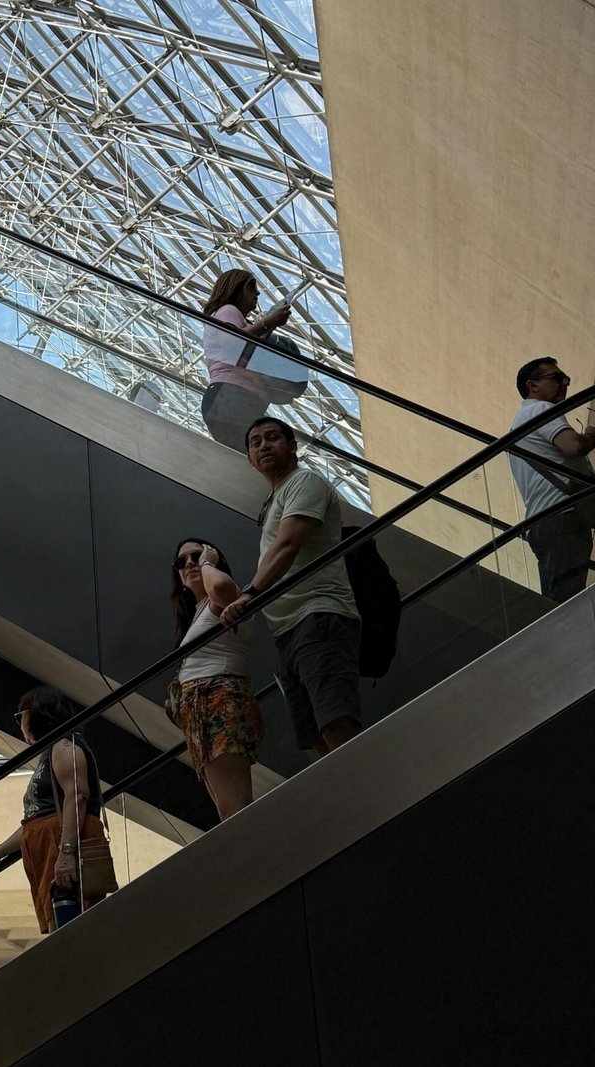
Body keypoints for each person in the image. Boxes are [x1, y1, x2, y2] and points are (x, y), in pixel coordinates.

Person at [222, 417, 363, 755]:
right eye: (255, 443)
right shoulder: (277, 498)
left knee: (336, 722)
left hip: (318, 614)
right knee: (317, 737)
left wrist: (250, 595)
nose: (263, 446)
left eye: (272, 438)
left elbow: (288, 546)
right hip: (289, 629)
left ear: (293, 445)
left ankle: (372, 794)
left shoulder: (305, 482)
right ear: (249, 459)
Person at [0, 686, 114, 933]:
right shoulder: (51, 751)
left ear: (35, 713)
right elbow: (35, 820)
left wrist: (66, 853)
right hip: (47, 847)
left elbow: (77, 796)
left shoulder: (64, 746)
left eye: (19, 716)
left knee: (72, 924)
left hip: (59, 846)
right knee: (61, 922)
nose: (18, 723)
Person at [507, 357, 595, 601]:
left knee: (558, 600)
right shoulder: (539, 409)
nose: (565, 383)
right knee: (567, 602)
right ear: (532, 386)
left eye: (566, 378)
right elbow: (574, 447)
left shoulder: (518, 426)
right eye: (557, 378)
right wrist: (592, 436)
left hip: (542, 523)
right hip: (564, 513)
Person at [168, 538, 263, 820]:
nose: (189, 563)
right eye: (181, 562)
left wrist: (208, 562)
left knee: (235, 809)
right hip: (202, 712)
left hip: (218, 701)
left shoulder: (224, 596)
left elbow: (221, 588)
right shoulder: (197, 612)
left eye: (195, 556)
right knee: (227, 810)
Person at [199, 269, 294, 454]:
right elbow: (232, 340)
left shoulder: (236, 318)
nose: (257, 292)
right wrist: (269, 321)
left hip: (231, 398)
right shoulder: (228, 310)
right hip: (231, 396)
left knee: (250, 456)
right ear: (235, 288)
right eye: (251, 286)